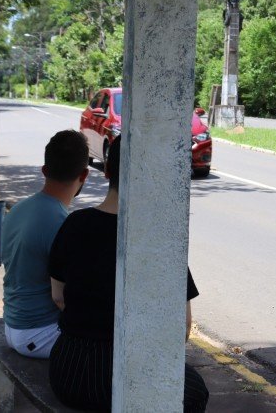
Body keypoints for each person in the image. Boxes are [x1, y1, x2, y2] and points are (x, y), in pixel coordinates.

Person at [48, 135, 208, 412]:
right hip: (130, 368)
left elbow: (58, 296)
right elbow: (181, 326)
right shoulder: (160, 237)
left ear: (107, 171)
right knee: (194, 393)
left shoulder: (75, 224)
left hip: (70, 370)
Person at [0, 130, 89, 358]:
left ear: (44, 170)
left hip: (13, 324)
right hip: (40, 334)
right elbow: (62, 298)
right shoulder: (62, 223)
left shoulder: (18, 209)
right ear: (85, 175)